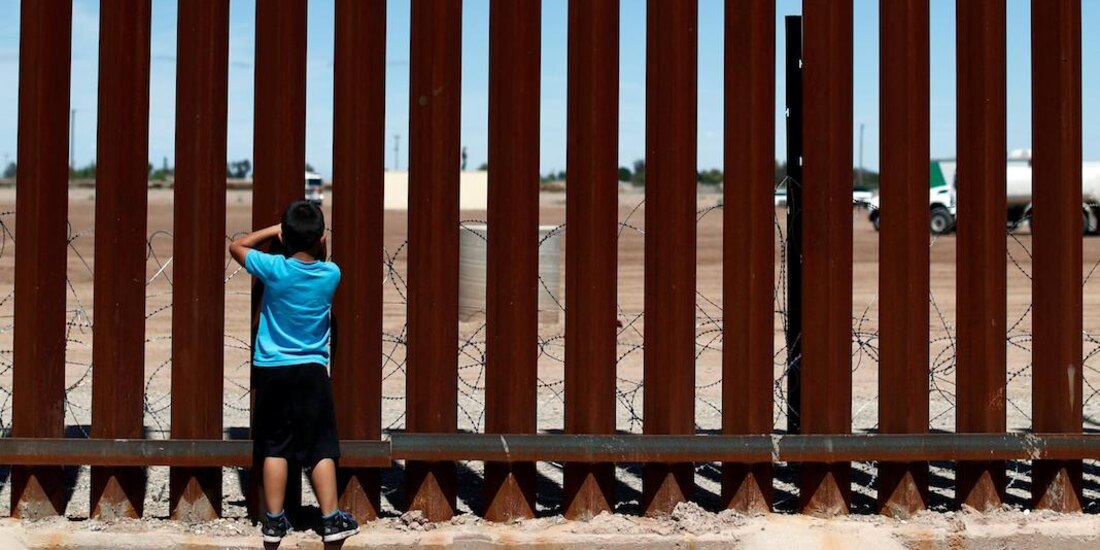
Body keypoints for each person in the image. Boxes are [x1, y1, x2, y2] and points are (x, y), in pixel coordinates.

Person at [229, 200, 358, 543]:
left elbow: (236, 246)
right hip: (312, 371)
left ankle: (273, 522)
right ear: (321, 238)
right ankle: (331, 519)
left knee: (274, 446)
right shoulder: (331, 275)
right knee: (320, 447)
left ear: (285, 237)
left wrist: (276, 231)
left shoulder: (274, 268)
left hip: (273, 369)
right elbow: (323, 257)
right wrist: (314, 240)